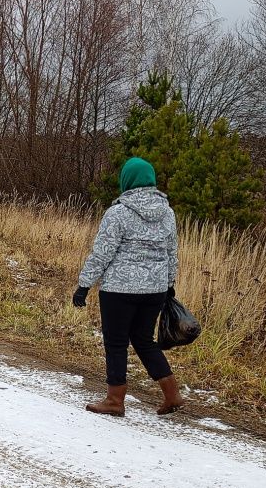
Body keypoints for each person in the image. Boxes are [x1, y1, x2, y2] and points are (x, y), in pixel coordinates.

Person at [72, 157, 184, 417]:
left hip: (120, 290)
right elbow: (171, 253)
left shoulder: (118, 213)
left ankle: (115, 400)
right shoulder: (167, 213)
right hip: (155, 290)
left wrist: (84, 285)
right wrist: (169, 285)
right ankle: (172, 394)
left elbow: (102, 253)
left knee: (116, 342)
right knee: (144, 340)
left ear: (127, 180)